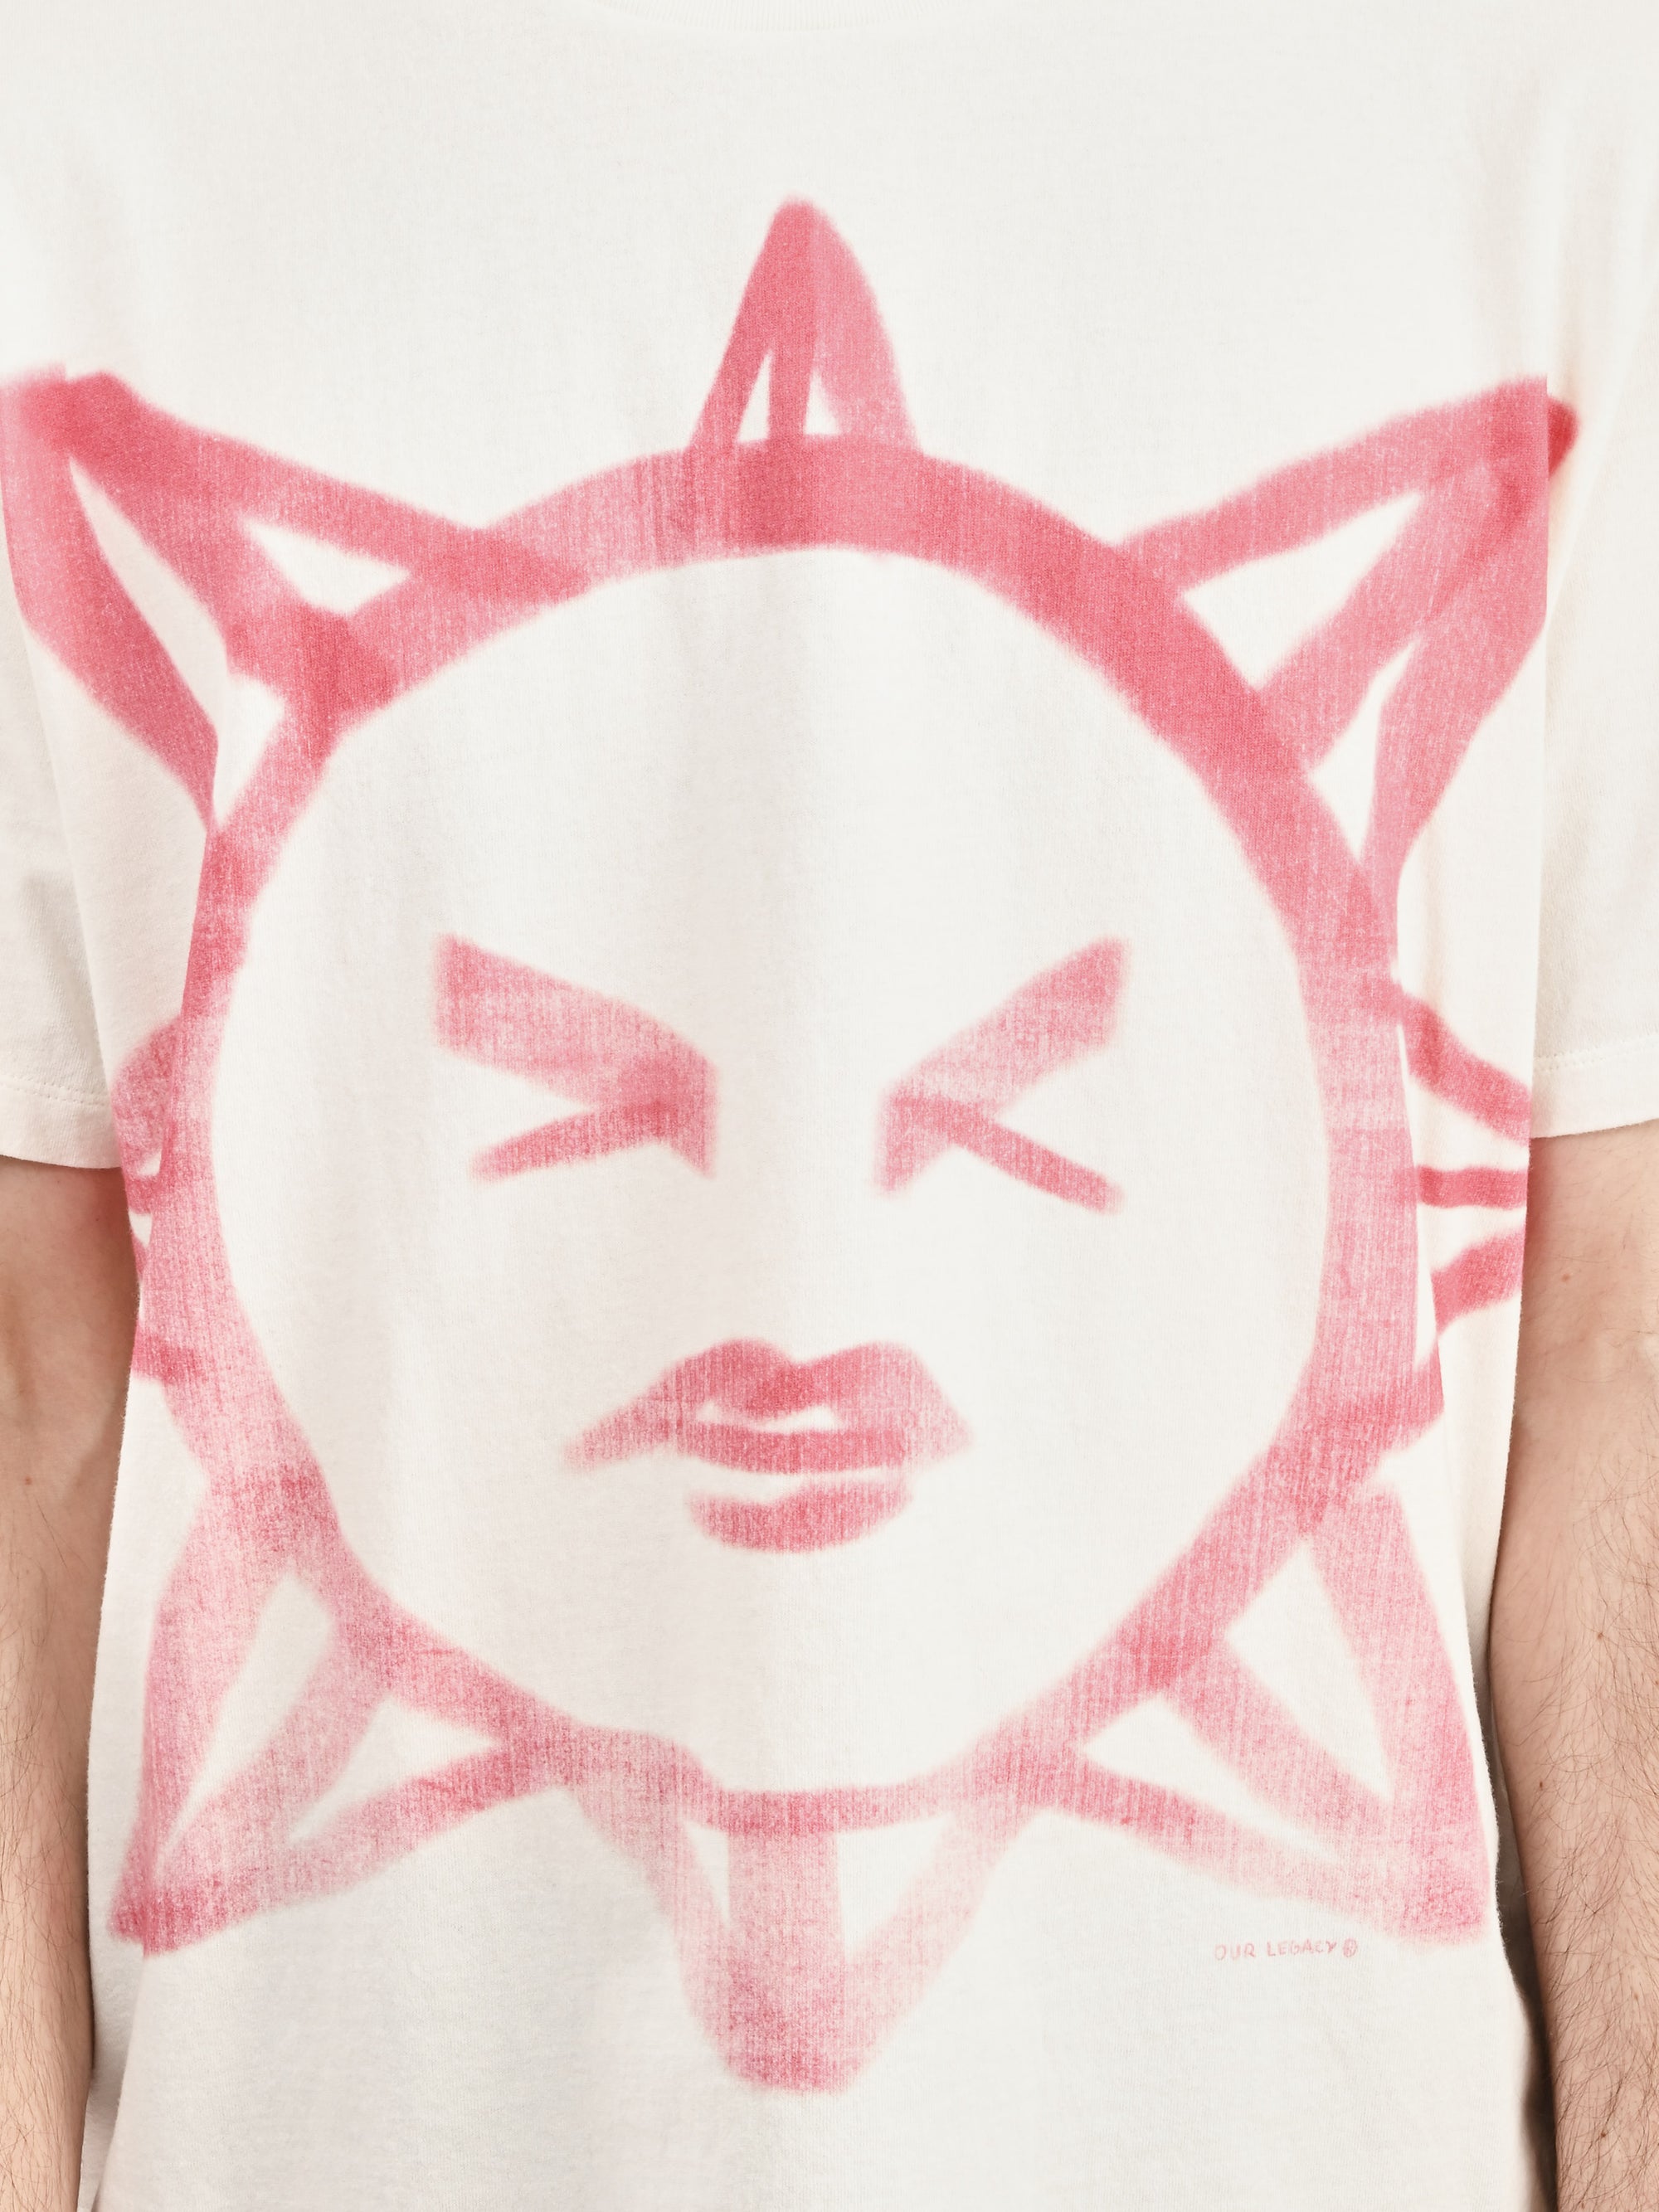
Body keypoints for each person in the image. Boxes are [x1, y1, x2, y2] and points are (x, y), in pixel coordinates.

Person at [2, 3, 1657, 2207]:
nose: (803, 1286)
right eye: (586, 1100)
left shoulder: (1556, 85)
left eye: (1005, 1115)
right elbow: (33, 1390)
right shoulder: (77, 108)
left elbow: (1617, 1353)